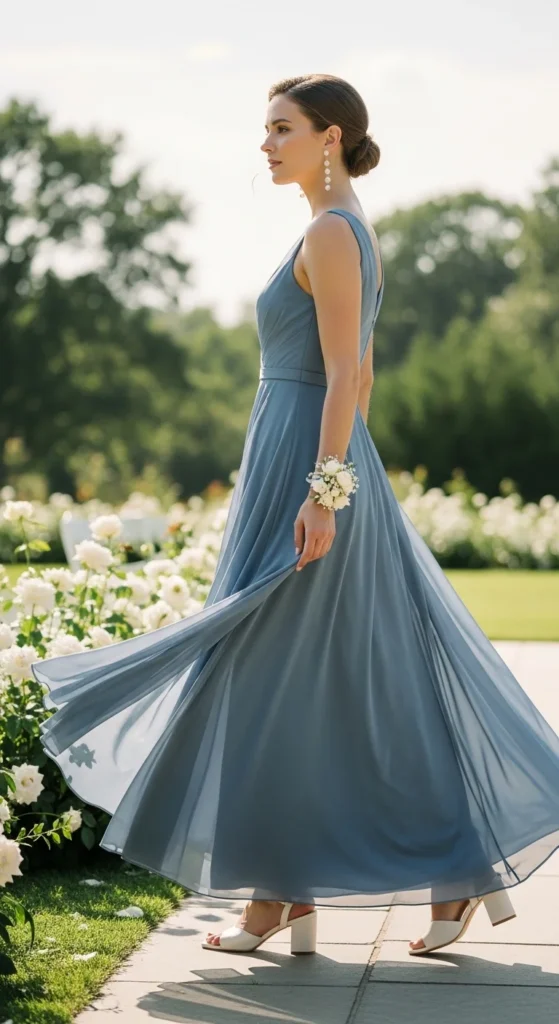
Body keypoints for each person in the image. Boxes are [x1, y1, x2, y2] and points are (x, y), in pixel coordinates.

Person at [32, 74, 559, 959]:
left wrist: (324, 494)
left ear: (331, 136)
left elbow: (350, 375)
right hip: (303, 463)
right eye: (263, 129)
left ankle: (301, 894)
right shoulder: (337, 230)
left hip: (311, 478)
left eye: (281, 129)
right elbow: (363, 377)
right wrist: (332, 476)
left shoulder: (331, 231)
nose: (265, 145)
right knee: (305, 682)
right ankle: (303, 892)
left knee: (286, 678)